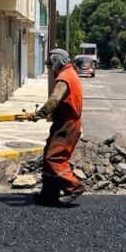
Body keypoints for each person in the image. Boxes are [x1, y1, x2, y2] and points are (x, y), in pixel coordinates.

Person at [30, 49, 85, 205]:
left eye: (51, 63)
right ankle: (48, 194)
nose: (50, 66)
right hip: (63, 122)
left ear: (57, 61)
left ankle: (74, 188)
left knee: (54, 157)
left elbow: (54, 100)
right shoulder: (70, 73)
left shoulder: (64, 77)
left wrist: (40, 113)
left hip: (68, 125)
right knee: (48, 155)